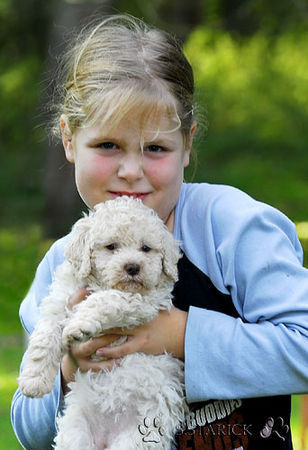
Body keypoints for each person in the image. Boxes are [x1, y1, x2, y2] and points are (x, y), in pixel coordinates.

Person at [11, 14, 308, 450]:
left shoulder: (232, 227)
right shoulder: (64, 260)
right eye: (108, 145)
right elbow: (29, 429)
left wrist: (179, 335)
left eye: (155, 148)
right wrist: (67, 370)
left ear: (187, 145)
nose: (131, 172)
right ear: (69, 139)